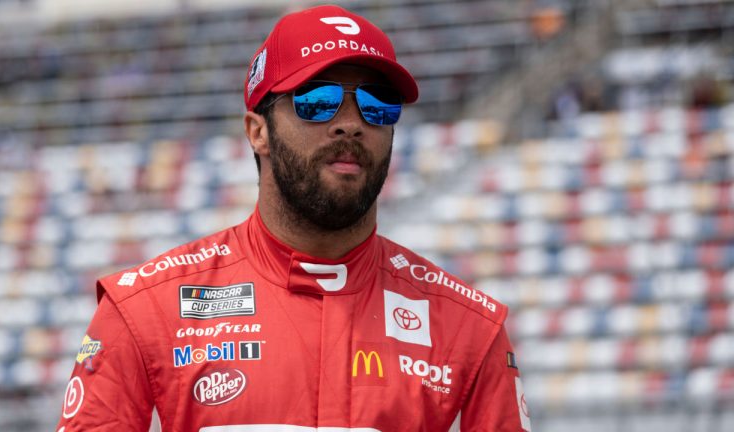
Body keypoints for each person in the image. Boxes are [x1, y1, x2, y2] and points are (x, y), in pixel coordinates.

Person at [56, 5, 531, 431]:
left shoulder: (471, 327)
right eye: (317, 101)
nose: (351, 123)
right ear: (257, 132)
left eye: (377, 106)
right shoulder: (143, 309)